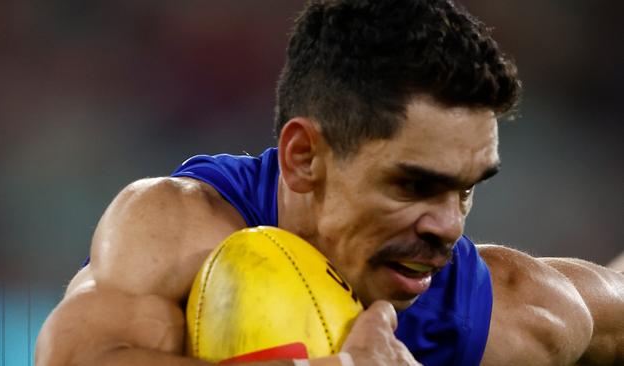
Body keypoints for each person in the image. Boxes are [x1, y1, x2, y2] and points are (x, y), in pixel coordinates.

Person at [36, 1, 624, 365]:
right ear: (303, 157)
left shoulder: (502, 314)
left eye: (466, 189)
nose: (448, 226)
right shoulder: (178, 228)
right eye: (413, 185)